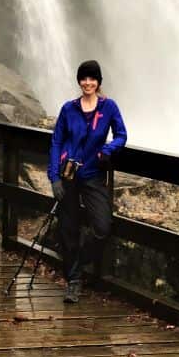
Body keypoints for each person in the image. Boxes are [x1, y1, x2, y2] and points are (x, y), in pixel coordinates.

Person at [48, 60, 127, 304]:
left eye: (92, 78)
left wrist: (108, 149)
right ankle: (73, 281)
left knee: (103, 227)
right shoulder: (68, 109)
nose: (87, 83)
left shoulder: (109, 107)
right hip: (68, 177)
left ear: (99, 82)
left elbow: (122, 134)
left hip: (92, 175)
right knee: (68, 228)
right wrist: (54, 178)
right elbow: (56, 142)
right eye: (83, 78)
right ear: (79, 81)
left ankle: (79, 262)